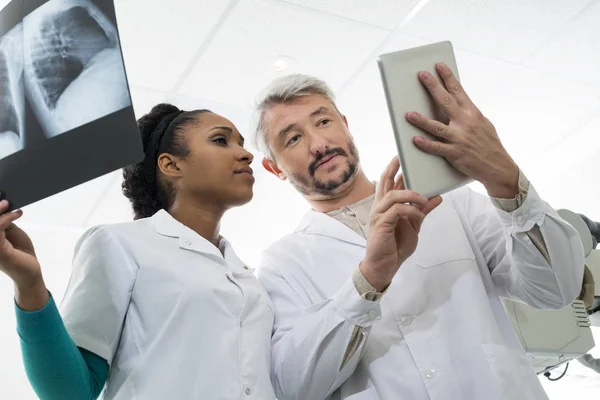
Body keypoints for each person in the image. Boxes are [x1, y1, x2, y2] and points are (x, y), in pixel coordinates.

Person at [250, 65, 585, 400]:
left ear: (346, 126)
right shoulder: (282, 264)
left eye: (323, 121)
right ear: (274, 167)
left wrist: (506, 180)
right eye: (293, 138)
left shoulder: (450, 203)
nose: (319, 144)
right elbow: (293, 387)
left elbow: (557, 289)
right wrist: (368, 280)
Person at [0, 103, 276, 399]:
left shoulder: (247, 278)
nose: (246, 154)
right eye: (221, 140)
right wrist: (29, 284)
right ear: (171, 165)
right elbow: (70, 392)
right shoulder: (120, 244)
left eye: (241, 144)